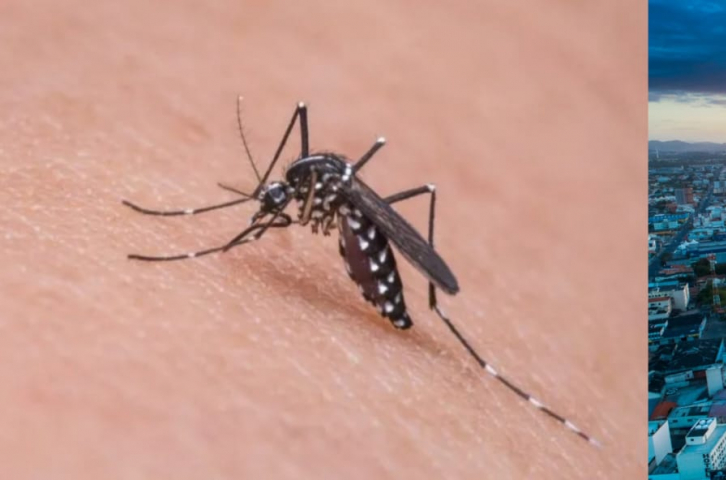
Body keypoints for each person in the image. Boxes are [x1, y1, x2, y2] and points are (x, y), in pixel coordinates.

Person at [0, 1, 643, 478]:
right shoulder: (299, 185)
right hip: (339, 205)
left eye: (277, 200)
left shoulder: (322, 189)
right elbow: (287, 187)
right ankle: (201, 236)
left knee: (408, 207)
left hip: (366, 227)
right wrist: (230, 209)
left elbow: (332, 196)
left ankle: (441, 316)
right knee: (341, 180)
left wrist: (234, 235)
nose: (274, 209)